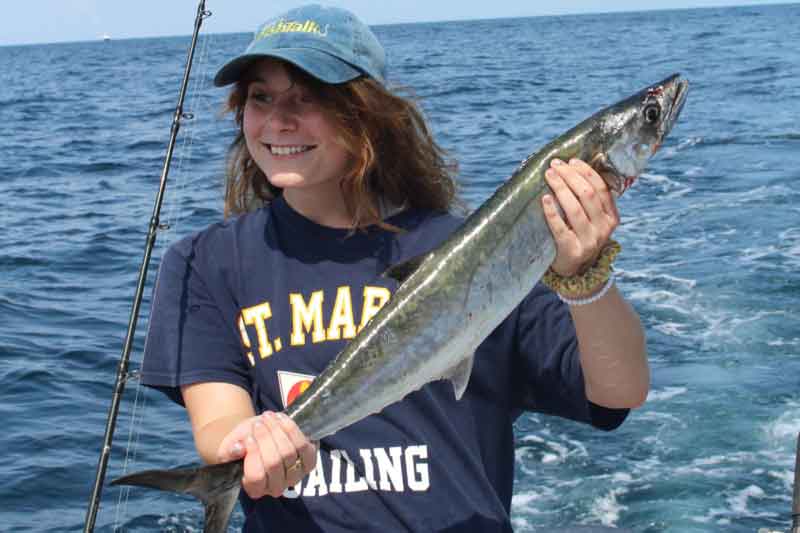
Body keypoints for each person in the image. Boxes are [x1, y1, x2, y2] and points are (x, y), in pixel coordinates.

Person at [141, 4, 649, 531]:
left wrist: (586, 277)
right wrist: (247, 443)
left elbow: (618, 391)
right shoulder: (208, 261)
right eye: (260, 98)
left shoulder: (474, 250)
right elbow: (219, 420)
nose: (278, 120)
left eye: (308, 96)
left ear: (365, 114)